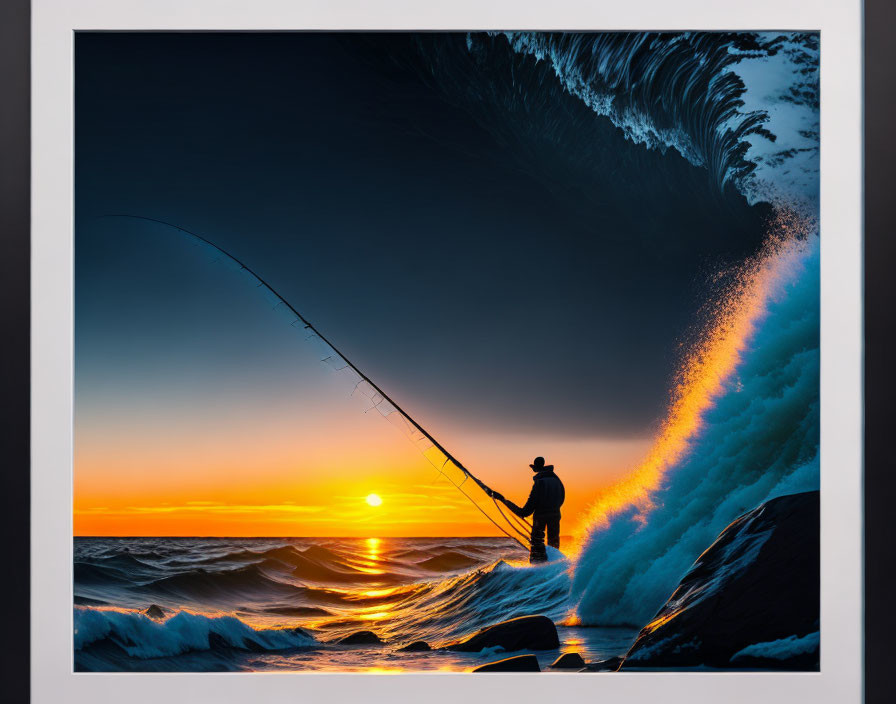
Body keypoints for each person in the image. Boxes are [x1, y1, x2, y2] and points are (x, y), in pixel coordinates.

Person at [489, 456, 565, 563]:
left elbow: (526, 511)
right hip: (556, 515)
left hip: (541, 517)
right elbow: (561, 499)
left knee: (537, 542)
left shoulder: (540, 483)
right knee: (554, 543)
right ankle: (555, 565)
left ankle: (537, 566)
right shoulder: (557, 480)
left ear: (536, 468)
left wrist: (504, 501)